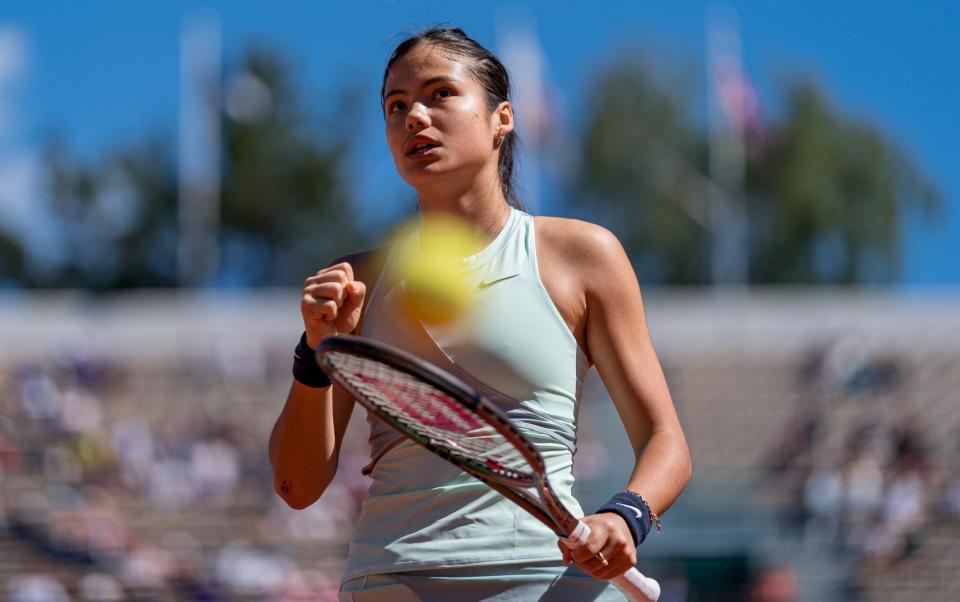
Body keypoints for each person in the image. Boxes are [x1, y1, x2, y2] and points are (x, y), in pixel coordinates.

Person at [269, 27, 691, 601]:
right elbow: (296, 486)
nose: (414, 116)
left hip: (554, 580)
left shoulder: (583, 256)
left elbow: (664, 440)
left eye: (440, 93)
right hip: (394, 579)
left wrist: (627, 515)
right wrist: (314, 355)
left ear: (502, 118)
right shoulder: (355, 282)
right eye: (396, 106)